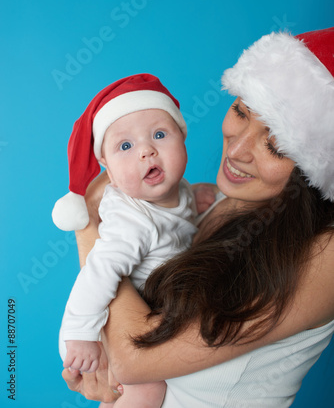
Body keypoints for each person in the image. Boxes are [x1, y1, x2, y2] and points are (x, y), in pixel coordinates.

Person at [62, 27, 334, 407]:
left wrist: (91, 227)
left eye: (276, 144)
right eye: (241, 110)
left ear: (316, 165)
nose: (237, 150)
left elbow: (133, 358)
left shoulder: (326, 252)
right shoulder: (213, 201)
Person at [52, 74, 215, 408]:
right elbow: (97, 273)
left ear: (183, 139)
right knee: (147, 390)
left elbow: (178, 215)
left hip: (140, 314)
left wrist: (196, 198)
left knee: (118, 397)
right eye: (125, 146)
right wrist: (81, 335)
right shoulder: (132, 222)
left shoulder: (176, 189)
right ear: (108, 172)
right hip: (98, 323)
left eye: (159, 134)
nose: (146, 151)